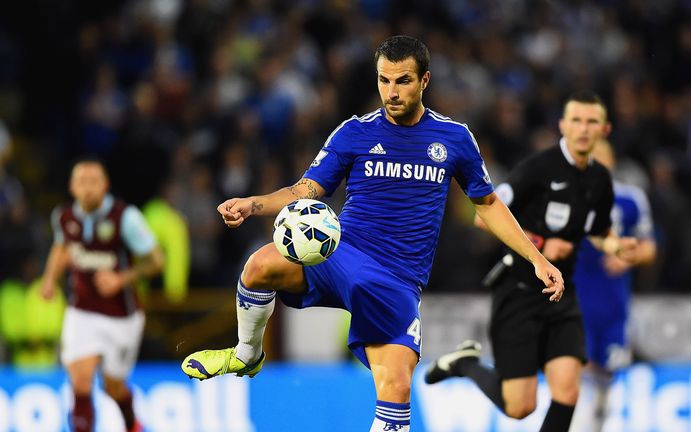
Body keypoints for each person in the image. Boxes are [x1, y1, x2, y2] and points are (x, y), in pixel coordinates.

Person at [181, 35, 564, 432]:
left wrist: (535, 259)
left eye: (402, 81)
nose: (391, 92)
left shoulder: (454, 138)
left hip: (396, 280)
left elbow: (486, 204)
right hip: (340, 254)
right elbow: (303, 191)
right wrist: (252, 203)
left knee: (396, 390)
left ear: (424, 80)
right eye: (384, 81)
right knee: (259, 265)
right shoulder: (354, 133)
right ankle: (247, 354)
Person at [425, 91, 641, 432]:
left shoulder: (600, 180)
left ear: (605, 129)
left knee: (568, 391)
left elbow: (596, 230)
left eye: (592, 122)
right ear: (562, 126)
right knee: (520, 406)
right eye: (576, 121)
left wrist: (614, 245)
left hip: (563, 296)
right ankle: (466, 364)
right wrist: (540, 244)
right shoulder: (538, 169)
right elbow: (484, 217)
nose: (583, 129)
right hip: (520, 291)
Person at [41, 157, 164, 432]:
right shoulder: (64, 217)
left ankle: (132, 424)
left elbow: (156, 260)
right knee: (81, 381)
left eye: (94, 182)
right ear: (72, 187)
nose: (88, 189)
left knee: (113, 386)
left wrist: (122, 278)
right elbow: (61, 247)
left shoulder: (126, 218)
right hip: (81, 311)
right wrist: (49, 279)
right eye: (82, 182)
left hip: (122, 316)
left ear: (105, 185)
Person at [572, 139, 657, 431]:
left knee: (606, 379)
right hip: (576, 302)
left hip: (612, 306)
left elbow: (650, 248)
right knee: (578, 376)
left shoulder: (631, 199)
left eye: (601, 157)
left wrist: (629, 257)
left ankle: (598, 422)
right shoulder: (568, 197)